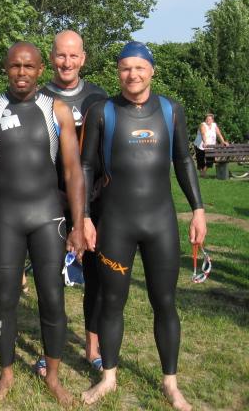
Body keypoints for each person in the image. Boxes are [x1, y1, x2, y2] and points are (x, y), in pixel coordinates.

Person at [80, 42, 206, 411]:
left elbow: (184, 160)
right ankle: (108, 377)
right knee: (111, 302)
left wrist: (198, 209)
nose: (132, 75)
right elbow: (86, 166)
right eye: (125, 68)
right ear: (117, 72)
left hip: (160, 223)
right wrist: (84, 217)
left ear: (151, 70)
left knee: (165, 302)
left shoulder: (171, 110)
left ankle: (171, 383)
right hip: (115, 224)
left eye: (139, 68)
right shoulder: (102, 111)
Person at [0, 42, 85, 406]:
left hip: (47, 217)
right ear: (6, 68)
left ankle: (52, 375)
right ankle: (6, 374)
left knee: (52, 298)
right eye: (15, 66)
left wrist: (78, 224)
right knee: (4, 299)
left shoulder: (56, 110)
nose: (21, 72)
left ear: (41, 70)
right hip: (5, 218)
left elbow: (72, 171)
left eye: (28, 66)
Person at [41, 30, 107, 372]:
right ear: (51, 57)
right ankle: (50, 346)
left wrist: (90, 206)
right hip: (51, 198)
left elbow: (106, 154)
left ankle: (92, 345)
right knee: (50, 276)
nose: (66, 63)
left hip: (93, 202)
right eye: (61, 55)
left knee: (95, 275)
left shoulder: (99, 97)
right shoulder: (39, 97)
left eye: (73, 56)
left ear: (83, 58)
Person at [193, 112, 229, 177]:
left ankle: (203, 172)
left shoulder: (214, 125)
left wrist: (223, 141)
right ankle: (202, 173)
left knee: (210, 160)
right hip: (200, 145)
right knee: (200, 160)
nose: (208, 120)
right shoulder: (202, 125)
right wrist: (205, 142)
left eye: (209, 119)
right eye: (206, 119)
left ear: (212, 120)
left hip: (211, 146)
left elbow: (219, 134)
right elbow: (203, 133)